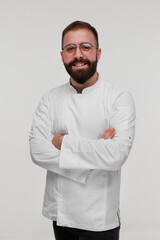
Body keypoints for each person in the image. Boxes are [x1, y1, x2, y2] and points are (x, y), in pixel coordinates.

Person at [29, 20, 136, 240]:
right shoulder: (49, 99)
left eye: (86, 47)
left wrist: (62, 143)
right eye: (70, 48)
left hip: (100, 219)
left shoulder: (118, 98)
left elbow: (116, 155)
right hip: (60, 215)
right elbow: (37, 151)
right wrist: (95, 156)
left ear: (98, 53)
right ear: (62, 56)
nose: (78, 55)